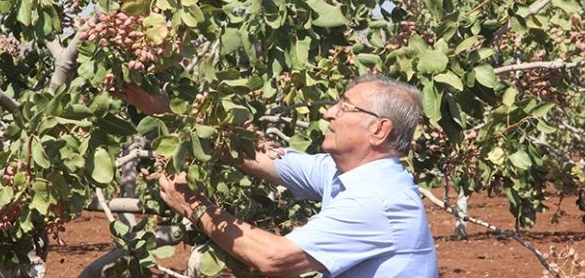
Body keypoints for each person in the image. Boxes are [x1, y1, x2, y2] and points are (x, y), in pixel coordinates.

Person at [118, 74, 438, 277]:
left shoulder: (377, 200)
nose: (328, 113)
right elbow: (252, 151)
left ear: (380, 129)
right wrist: (166, 109)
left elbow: (275, 258)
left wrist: (195, 207)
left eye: (345, 108)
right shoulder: (343, 172)